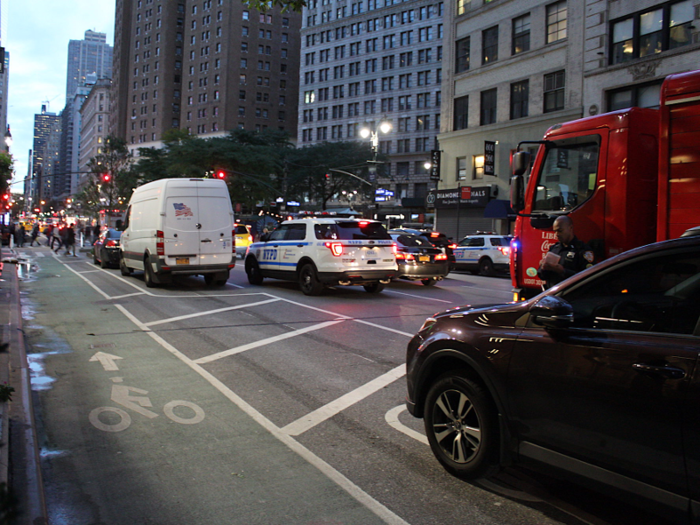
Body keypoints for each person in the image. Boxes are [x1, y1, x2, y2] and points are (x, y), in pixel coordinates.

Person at [538, 215, 594, 289]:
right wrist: (543, 267)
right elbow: (542, 276)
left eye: (560, 231)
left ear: (570, 228)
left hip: (572, 296)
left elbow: (588, 278)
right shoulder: (554, 249)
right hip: (553, 295)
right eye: (555, 231)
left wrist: (562, 271)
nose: (557, 234)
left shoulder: (583, 250)